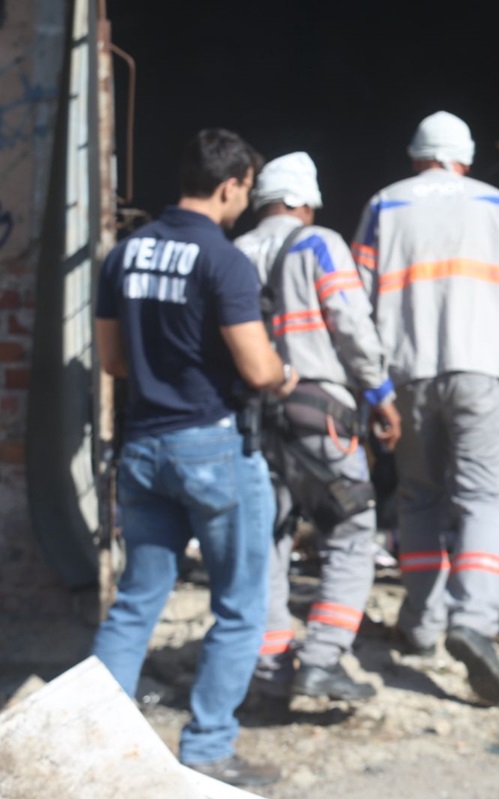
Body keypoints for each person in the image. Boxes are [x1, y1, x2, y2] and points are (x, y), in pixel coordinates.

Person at [92, 128, 297, 787]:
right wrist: (283, 374)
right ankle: (207, 749)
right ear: (231, 183)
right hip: (213, 446)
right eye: (246, 188)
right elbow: (258, 367)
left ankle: (96, 741)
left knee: (135, 600)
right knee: (239, 604)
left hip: (144, 445)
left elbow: (114, 361)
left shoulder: (123, 253)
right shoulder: (223, 259)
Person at [352, 111, 499, 705]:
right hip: (483, 369)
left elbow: (357, 299)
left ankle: (422, 625)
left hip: (408, 374)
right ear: (465, 157)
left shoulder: (386, 204)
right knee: (482, 497)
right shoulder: (495, 204)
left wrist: (372, 384)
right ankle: (474, 620)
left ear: (416, 157)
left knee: (419, 496)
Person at [234, 152, 402, 701]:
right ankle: (323, 657)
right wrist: (379, 392)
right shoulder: (319, 243)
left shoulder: (234, 252)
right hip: (320, 413)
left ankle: (270, 663)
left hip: (256, 419)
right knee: (352, 531)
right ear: (304, 201)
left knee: (269, 535)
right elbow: (351, 323)